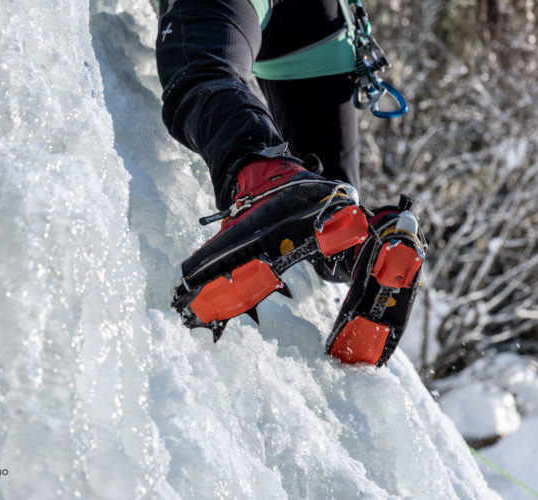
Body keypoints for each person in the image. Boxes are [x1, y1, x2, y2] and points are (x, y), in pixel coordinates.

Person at [156, 0, 427, 366]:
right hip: (320, 25)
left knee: (202, 73)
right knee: (335, 214)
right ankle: (372, 244)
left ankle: (266, 182)